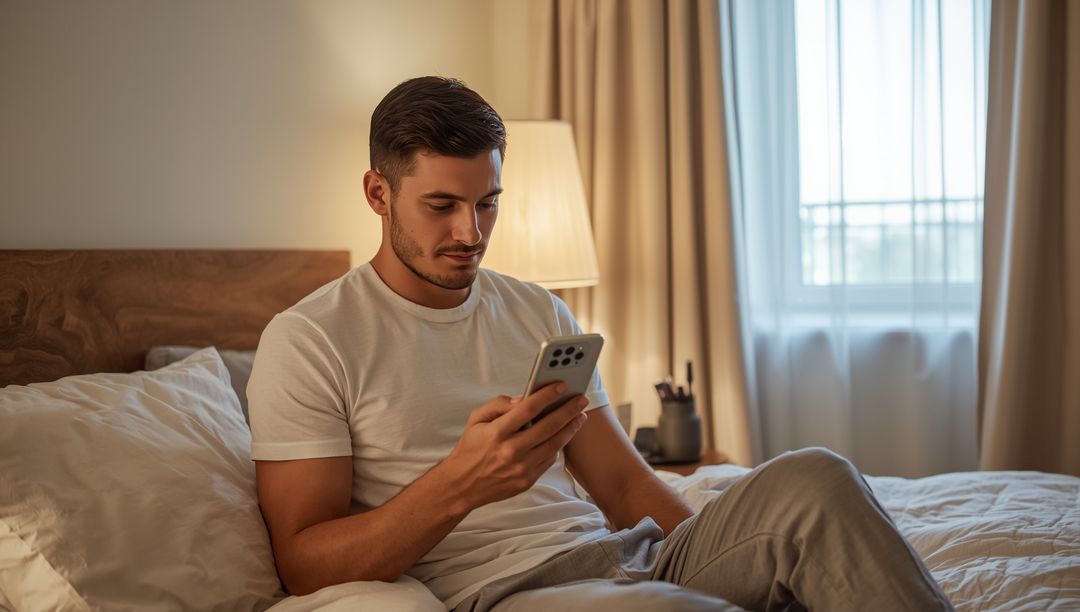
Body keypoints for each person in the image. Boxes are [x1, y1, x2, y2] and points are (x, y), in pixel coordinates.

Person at [247, 76, 953, 611]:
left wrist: (722, 554)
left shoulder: (536, 310)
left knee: (818, 477)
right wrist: (461, 484)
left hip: (630, 557)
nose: (471, 232)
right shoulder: (312, 340)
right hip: (516, 590)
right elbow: (304, 563)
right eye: (441, 206)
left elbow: (622, 485)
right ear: (378, 193)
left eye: (487, 202)